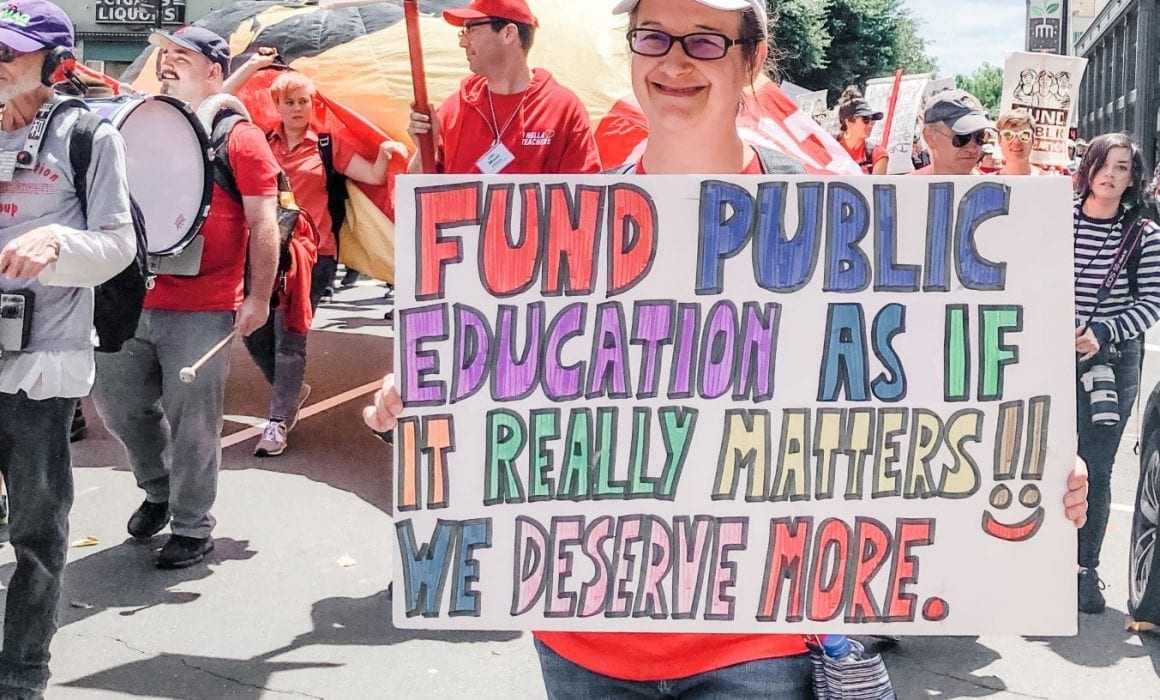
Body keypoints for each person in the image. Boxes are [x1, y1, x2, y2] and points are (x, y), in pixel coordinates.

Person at [366, 1, 1091, 696]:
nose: (675, 61)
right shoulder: (564, 219)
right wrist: (435, 388)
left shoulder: (835, 218)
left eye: (706, 40)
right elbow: (514, 383)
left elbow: (920, 398)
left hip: (760, 648)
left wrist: (1026, 459)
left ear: (753, 60)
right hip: (585, 640)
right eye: (654, 36)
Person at [91, 25, 281, 569]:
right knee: (119, 406)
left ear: (216, 71)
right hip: (131, 297)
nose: (168, 65)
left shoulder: (240, 137)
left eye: (183, 57)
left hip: (203, 306)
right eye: (165, 57)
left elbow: (263, 222)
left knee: (194, 421)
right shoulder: (137, 125)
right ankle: (158, 488)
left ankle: (193, 527)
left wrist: (259, 298)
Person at [0, 1, 135, 694]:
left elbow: (119, 244)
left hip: (39, 367)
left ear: (53, 65)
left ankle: (22, 672)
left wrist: (60, 245)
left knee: (36, 536)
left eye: (8, 54)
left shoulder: (87, 136)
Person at [224, 59, 407, 456]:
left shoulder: (327, 144)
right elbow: (219, 105)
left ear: (313, 104)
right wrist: (253, 64)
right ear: (277, 104)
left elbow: (373, 177)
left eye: (304, 101)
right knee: (253, 330)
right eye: (289, 101)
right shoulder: (260, 142)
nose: (297, 108)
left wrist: (386, 154)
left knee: (291, 336)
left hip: (313, 254)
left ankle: (277, 422)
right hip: (265, 252)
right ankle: (292, 391)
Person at [1072, 133, 1160, 614]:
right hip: (1042, 354)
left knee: (1097, 467)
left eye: (1122, 167)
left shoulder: (1143, 234)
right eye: (1103, 163)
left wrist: (1103, 331)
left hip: (1112, 360)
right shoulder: (1055, 220)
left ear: (1133, 177)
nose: (1110, 174)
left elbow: (1151, 302)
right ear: (1088, 166)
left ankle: (1085, 570)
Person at [406, 0, 601, 175]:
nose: (462, 42)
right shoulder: (453, 109)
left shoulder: (563, 109)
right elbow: (420, 195)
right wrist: (426, 152)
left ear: (508, 33)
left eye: (471, 29)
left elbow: (584, 197)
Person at [915, 89, 994, 176]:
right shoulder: (905, 187)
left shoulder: (998, 188)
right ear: (929, 137)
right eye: (962, 138)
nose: (972, 149)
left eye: (980, 137)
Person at [835, 88, 887, 174]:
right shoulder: (831, 150)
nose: (871, 124)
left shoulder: (878, 154)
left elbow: (877, 186)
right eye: (865, 119)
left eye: (873, 119)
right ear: (848, 121)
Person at [997, 109, 1050, 176]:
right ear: (999, 140)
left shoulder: (1051, 183)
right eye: (1008, 135)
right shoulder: (987, 183)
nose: (1016, 142)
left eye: (1024, 135)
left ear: (1033, 140)